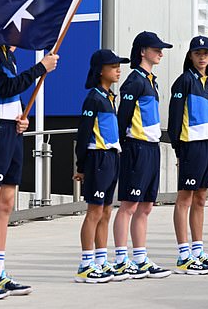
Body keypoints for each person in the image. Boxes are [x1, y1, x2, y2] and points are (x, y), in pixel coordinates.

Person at [0, 45, 58, 299]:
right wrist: (40, 69)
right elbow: (3, 87)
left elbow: (10, 97)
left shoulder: (9, 55)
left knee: (6, 204)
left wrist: (21, 115)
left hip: (12, 132)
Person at [112, 32, 173, 280]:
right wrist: (123, 147)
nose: (160, 52)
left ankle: (139, 257)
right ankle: (120, 259)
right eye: (156, 49)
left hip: (151, 147)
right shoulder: (134, 81)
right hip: (136, 147)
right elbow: (121, 118)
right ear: (142, 51)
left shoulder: (151, 80)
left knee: (146, 206)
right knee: (129, 205)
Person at [74, 49, 128, 283]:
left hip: (111, 157)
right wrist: (81, 165)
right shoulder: (93, 98)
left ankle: (100, 260)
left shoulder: (109, 97)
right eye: (113, 66)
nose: (118, 70)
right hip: (97, 158)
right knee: (94, 211)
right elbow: (84, 133)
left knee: (106, 211)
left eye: (119, 65)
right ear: (100, 71)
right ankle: (86, 264)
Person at [168, 36, 208, 275]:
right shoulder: (183, 82)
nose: (202, 57)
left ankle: (198, 250)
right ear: (190, 55)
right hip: (191, 145)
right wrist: (179, 148)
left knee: (201, 198)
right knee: (185, 198)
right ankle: (183, 254)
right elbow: (175, 118)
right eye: (198, 53)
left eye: (206, 53)